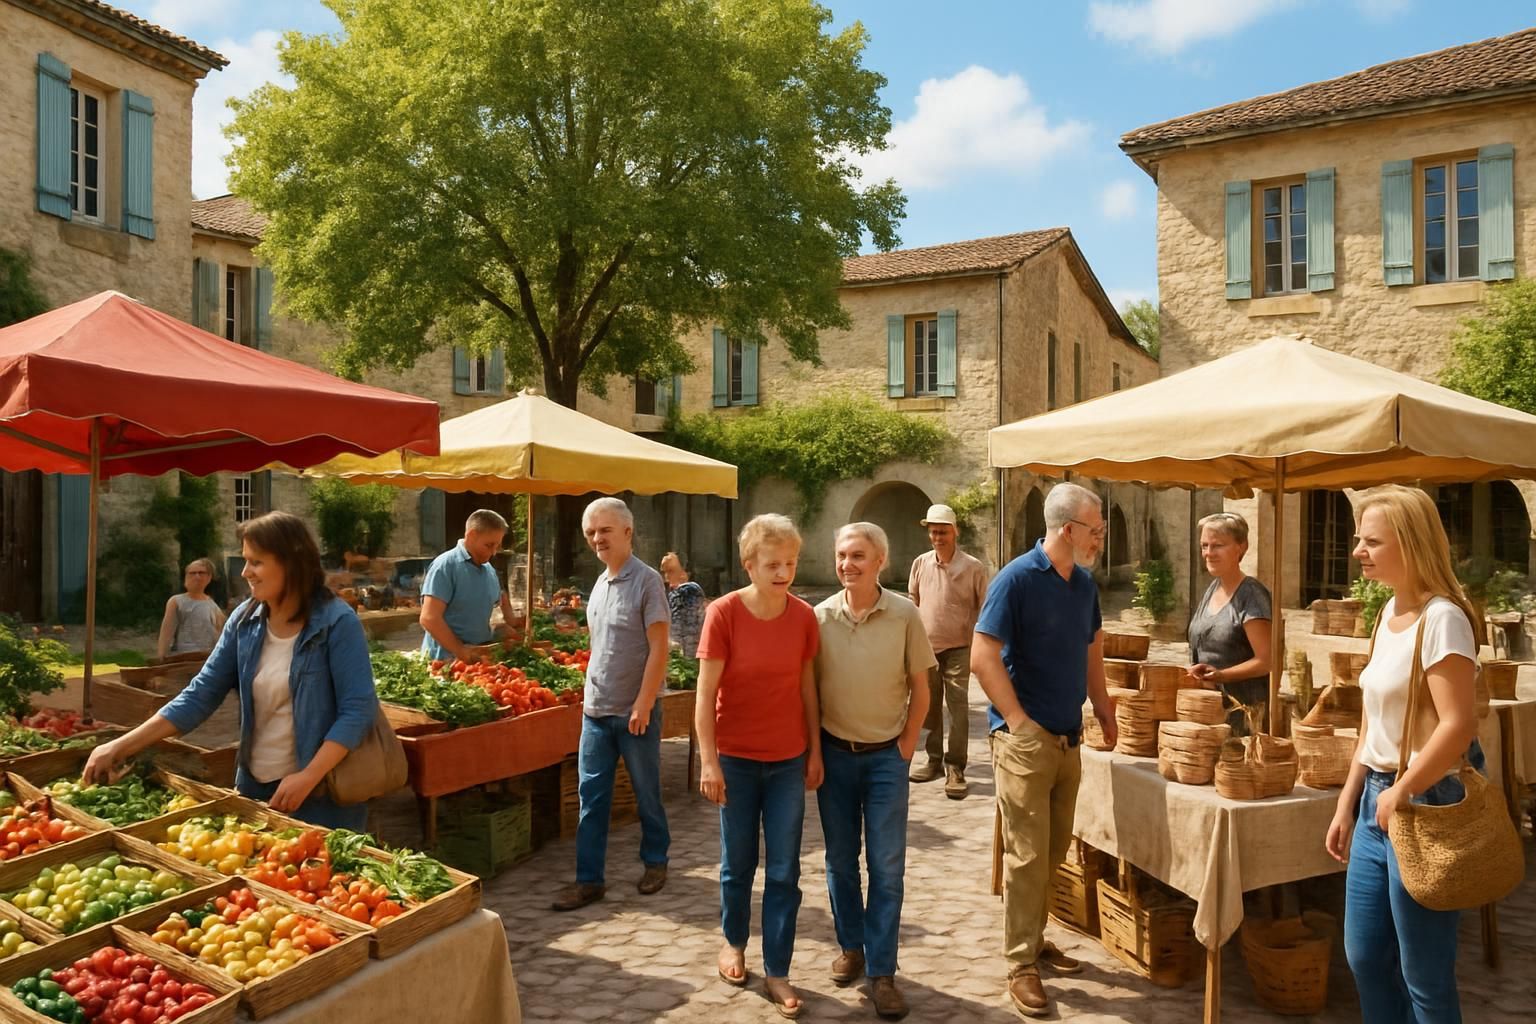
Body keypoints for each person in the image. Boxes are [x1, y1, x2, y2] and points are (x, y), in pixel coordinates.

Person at [82, 512, 381, 830]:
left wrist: (308, 776)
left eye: (256, 562)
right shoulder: (244, 621)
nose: (245, 572)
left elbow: (357, 710)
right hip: (255, 789)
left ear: (292, 563)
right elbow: (200, 694)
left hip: (323, 797)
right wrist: (120, 746)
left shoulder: (336, 622)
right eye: (245, 560)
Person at [1325, 485, 1485, 1024]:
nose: (1358, 552)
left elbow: (1459, 725)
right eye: (1357, 540)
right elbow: (1373, 723)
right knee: (1366, 958)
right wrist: (1349, 802)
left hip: (1425, 802)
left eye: (1372, 541)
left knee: (1425, 976)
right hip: (1379, 801)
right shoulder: (1387, 612)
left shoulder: (1444, 619)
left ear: (1411, 544)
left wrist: (1402, 790)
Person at [971, 482, 1117, 1019]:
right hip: (1025, 742)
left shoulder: (1083, 585)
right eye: (1096, 531)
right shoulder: (1016, 579)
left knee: (1053, 851)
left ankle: (1032, 940)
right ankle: (1019, 964)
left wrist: (1102, 705)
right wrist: (1017, 722)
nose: (1100, 539)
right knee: (1027, 855)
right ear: (1068, 530)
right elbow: (982, 655)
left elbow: (1092, 646)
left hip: (1067, 737)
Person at [695, 515, 822, 1019]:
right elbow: (705, 697)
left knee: (786, 869)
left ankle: (778, 969)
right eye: (772, 563)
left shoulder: (803, 617)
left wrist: (814, 751)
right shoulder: (723, 614)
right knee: (738, 863)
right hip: (737, 760)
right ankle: (732, 942)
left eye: (790, 562)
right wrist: (709, 761)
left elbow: (807, 689)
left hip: (789, 759)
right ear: (749, 565)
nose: (783, 572)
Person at [814, 522, 933, 1021]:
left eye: (858, 556)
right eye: (842, 555)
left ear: (880, 561)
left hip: (887, 759)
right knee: (840, 861)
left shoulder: (905, 614)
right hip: (835, 755)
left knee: (886, 868)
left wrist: (906, 747)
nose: (848, 564)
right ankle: (852, 947)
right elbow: (806, 692)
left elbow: (921, 689)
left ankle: (882, 972)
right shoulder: (818, 617)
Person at [552, 497, 671, 912]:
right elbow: (599, 646)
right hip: (596, 711)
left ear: (627, 532)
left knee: (646, 793)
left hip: (634, 711)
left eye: (604, 530)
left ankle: (656, 861)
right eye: (591, 532)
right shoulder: (600, 584)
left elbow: (659, 649)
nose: (597, 538)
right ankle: (589, 881)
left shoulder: (648, 581)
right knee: (592, 798)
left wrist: (643, 702)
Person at [907, 503, 989, 799]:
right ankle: (933, 761)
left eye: (942, 531)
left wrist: (979, 643)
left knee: (957, 707)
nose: (937, 537)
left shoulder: (972, 567)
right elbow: (913, 602)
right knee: (929, 705)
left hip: (959, 647)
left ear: (955, 532)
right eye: (933, 532)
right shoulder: (920, 563)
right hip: (926, 647)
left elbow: (985, 607)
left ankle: (956, 767)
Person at [1185, 512, 1273, 735]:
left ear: (1241, 547)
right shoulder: (1212, 590)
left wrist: (1221, 675)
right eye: (1205, 545)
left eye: (1218, 546)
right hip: (1210, 715)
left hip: (1245, 718)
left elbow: (1266, 661)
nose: (1208, 553)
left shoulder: (1251, 595)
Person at [419, 509, 516, 663]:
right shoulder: (445, 566)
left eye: (497, 546)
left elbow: (495, 606)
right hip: (444, 663)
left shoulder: (489, 570)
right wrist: (461, 651)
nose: (493, 552)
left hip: (479, 661)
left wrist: (501, 629)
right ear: (471, 535)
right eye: (489, 545)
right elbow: (429, 618)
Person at [156, 558, 226, 659]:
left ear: (209, 577)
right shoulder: (176, 602)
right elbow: (166, 632)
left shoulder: (213, 606)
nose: (197, 576)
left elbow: (220, 637)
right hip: (184, 658)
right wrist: (161, 657)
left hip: (207, 659)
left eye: (201, 573)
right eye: (192, 573)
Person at [660, 551, 707, 658]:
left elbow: (682, 629)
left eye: (671, 571)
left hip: (686, 654)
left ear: (685, 574)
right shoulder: (673, 592)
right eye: (664, 572)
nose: (666, 576)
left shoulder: (687, 590)